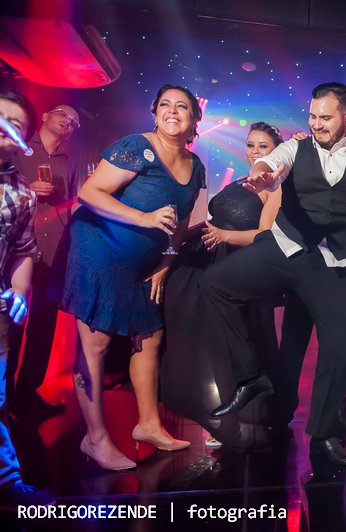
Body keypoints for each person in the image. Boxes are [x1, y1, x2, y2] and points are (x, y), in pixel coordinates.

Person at [199, 82, 346, 467]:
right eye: (312, 116)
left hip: (334, 262)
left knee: (338, 349)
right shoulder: (296, 147)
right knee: (215, 283)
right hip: (285, 249)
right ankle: (253, 374)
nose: (316, 123)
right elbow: (270, 165)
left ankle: (323, 434)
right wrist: (264, 176)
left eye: (325, 117)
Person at [59, 84, 206, 470]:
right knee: (98, 344)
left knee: (149, 335)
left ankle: (149, 425)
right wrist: (143, 218)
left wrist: (165, 263)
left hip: (143, 263)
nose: (173, 111)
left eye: (182, 106)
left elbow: (182, 222)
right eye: (165, 105)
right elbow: (90, 193)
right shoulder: (136, 146)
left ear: (194, 119)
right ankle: (95, 439)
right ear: (154, 112)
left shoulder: (196, 166)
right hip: (99, 250)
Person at [160, 122, 310, 449]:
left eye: (264, 147)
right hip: (211, 256)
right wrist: (177, 238)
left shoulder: (278, 186)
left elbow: (265, 235)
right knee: (203, 335)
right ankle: (223, 416)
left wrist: (224, 236)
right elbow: (213, 221)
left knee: (240, 343)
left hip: (243, 267)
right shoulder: (241, 180)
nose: (255, 152)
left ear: (277, 151)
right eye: (252, 145)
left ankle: (242, 417)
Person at [7, 104, 81, 418]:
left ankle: (27, 395)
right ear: (46, 116)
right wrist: (28, 190)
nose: (69, 121)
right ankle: (4, 397)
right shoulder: (16, 147)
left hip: (54, 253)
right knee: (9, 324)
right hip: (16, 251)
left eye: (75, 121)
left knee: (43, 327)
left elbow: (76, 203)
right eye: (63, 114)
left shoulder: (70, 160)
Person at [0, 90, 54, 505]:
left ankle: (8, 484)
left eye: (14, 125)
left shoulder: (21, 192)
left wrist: (19, 295)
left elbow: (21, 248)